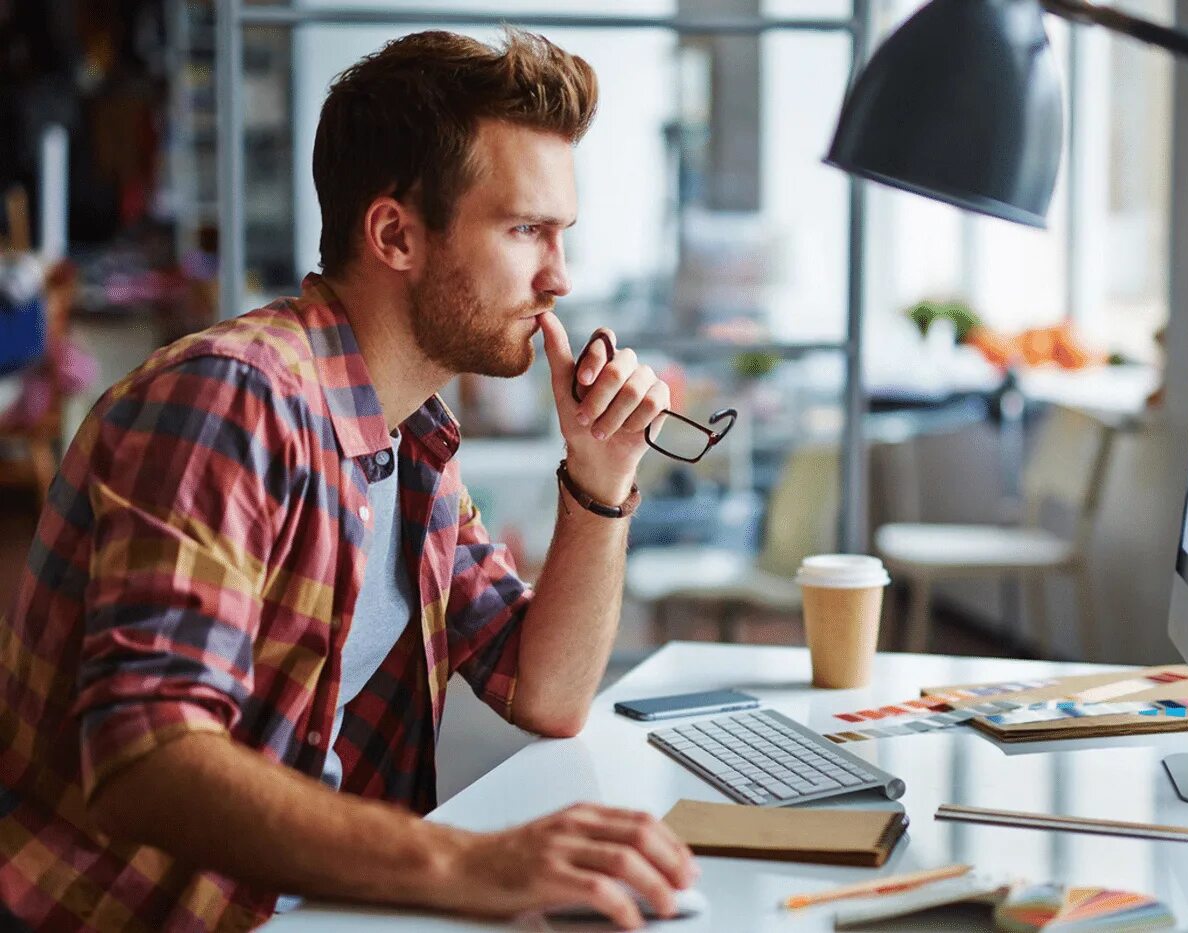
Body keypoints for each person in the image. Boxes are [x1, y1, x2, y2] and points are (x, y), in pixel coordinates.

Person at [0, 29, 698, 932]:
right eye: (527, 229)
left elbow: (545, 691)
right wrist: (464, 863)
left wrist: (601, 480)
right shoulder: (233, 398)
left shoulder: (407, 441)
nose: (559, 277)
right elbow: (146, 754)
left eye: (562, 235)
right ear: (396, 234)